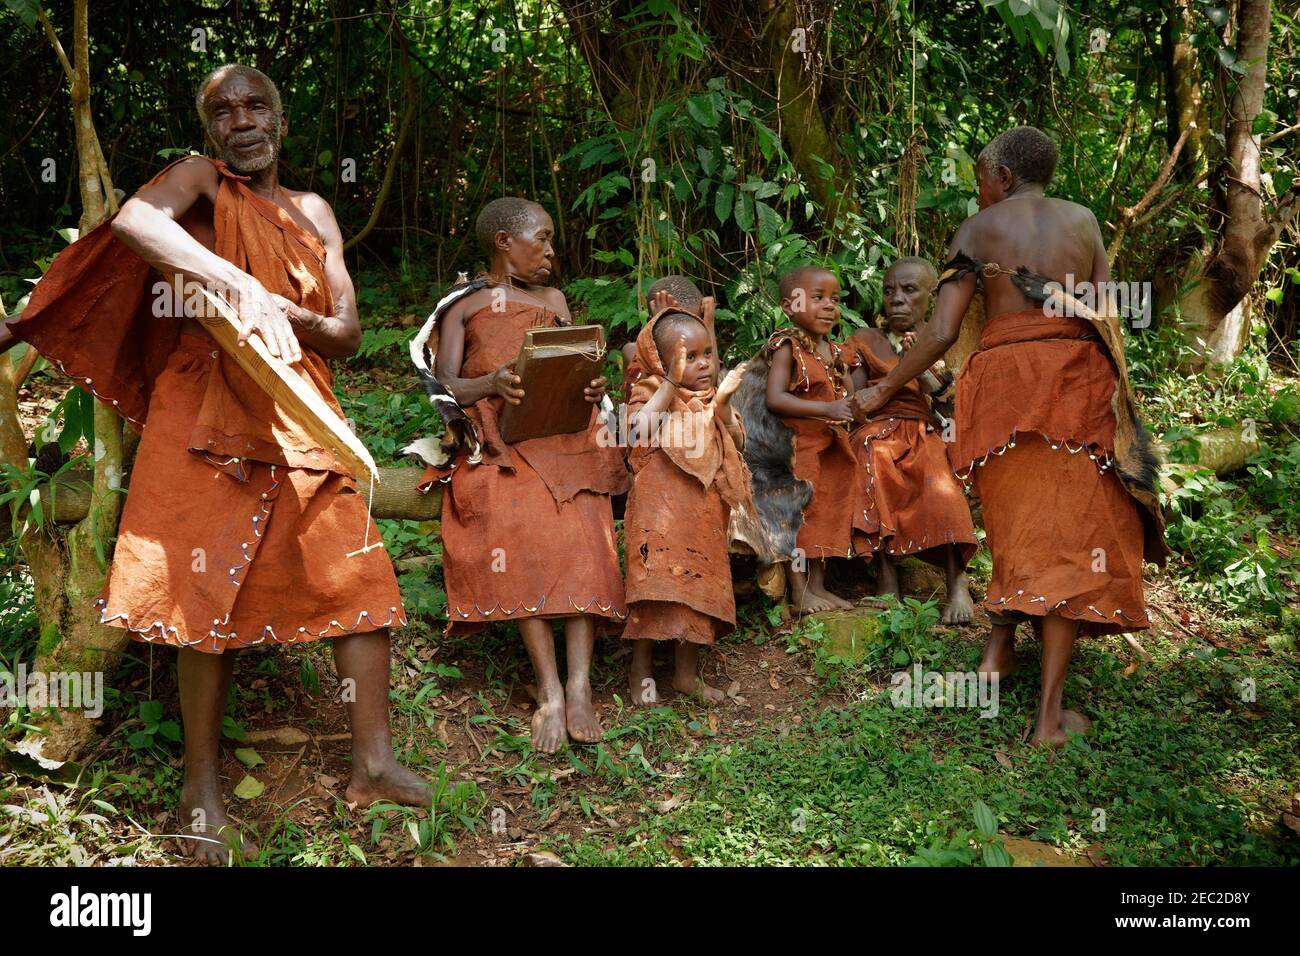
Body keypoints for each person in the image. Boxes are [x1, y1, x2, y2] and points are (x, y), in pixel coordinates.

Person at [7, 64, 430, 863]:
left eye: (256, 103)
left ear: (280, 115)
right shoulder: (198, 181)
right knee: (197, 596)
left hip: (302, 405)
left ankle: (373, 762)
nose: (242, 118)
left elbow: (346, 333)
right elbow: (137, 225)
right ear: (208, 129)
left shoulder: (312, 210)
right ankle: (199, 787)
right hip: (201, 399)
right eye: (222, 109)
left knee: (362, 575)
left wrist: (286, 312)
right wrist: (242, 290)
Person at [855, 126, 1165, 747]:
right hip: (1079, 387)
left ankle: (1017, 683)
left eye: (979, 183)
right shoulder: (1083, 222)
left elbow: (941, 331)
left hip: (1004, 392)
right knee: (1072, 538)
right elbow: (1107, 310)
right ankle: (1029, 693)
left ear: (1000, 177)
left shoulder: (978, 229)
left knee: (1021, 527)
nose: (979, 194)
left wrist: (882, 390)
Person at [410, 197, 628, 754]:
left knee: (584, 530)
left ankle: (580, 685)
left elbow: (579, 364)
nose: (552, 251)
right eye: (543, 238)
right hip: (502, 442)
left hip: (569, 437)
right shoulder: (463, 306)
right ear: (504, 241)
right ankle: (549, 691)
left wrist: (591, 388)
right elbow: (444, 386)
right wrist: (492, 384)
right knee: (519, 524)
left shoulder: (554, 300)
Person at [622, 303, 750, 705]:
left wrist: (724, 406)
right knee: (652, 588)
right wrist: (670, 384)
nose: (702, 365)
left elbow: (739, 445)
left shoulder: (714, 396)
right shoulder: (649, 390)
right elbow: (637, 430)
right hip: (656, 515)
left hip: (702, 514)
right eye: (687, 357)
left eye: (707, 354)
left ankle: (685, 675)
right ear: (660, 360)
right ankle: (640, 674)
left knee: (696, 587)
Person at [847, 257, 977, 624]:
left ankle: (957, 583)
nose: (897, 299)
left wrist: (919, 367)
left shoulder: (943, 338)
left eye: (909, 290)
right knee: (869, 451)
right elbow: (856, 405)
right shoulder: (864, 340)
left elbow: (953, 410)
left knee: (938, 474)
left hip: (927, 429)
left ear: (931, 296)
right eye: (889, 291)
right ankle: (887, 581)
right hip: (877, 429)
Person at [761, 265, 860, 613]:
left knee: (826, 514)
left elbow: (850, 398)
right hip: (798, 447)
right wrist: (828, 409)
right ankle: (800, 591)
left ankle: (818, 585)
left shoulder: (834, 351)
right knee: (800, 517)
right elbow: (775, 398)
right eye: (817, 298)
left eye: (834, 299)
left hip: (831, 448)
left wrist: (844, 379)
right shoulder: (787, 346)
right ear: (790, 306)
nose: (829, 306)